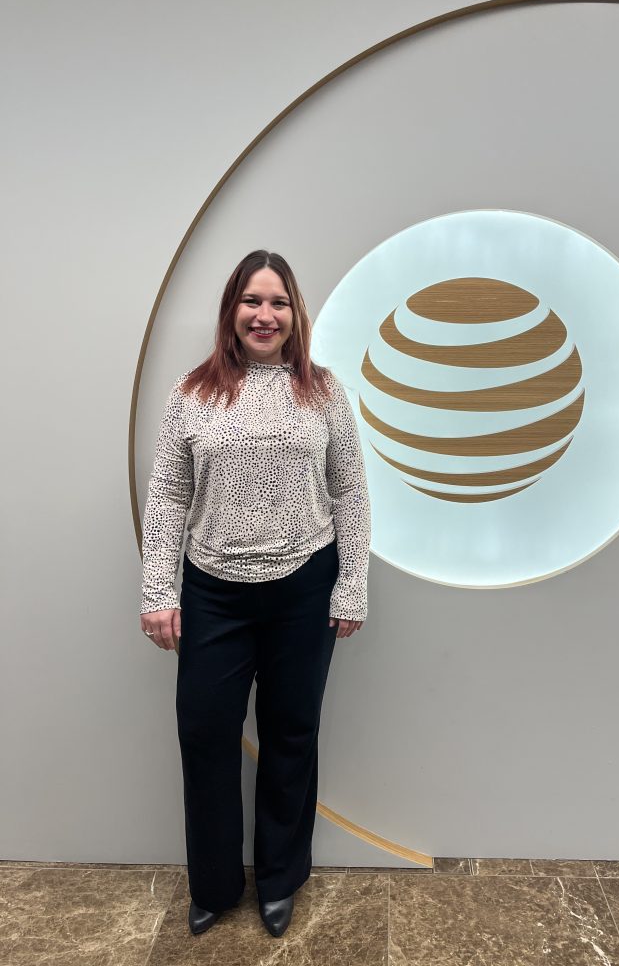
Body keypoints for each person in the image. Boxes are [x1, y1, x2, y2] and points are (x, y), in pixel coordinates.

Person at [139, 249, 371, 939]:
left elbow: (350, 489)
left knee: (292, 732)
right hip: (214, 591)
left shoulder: (323, 392)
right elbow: (169, 493)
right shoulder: (193, 392)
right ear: (231, 312)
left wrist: (352, 584)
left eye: (277, 302)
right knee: (205, 732)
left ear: (295, 313)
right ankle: (213, 884)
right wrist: (159, 587)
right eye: (251, 301)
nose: (264, 315)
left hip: (305, 588)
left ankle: (279, 878)